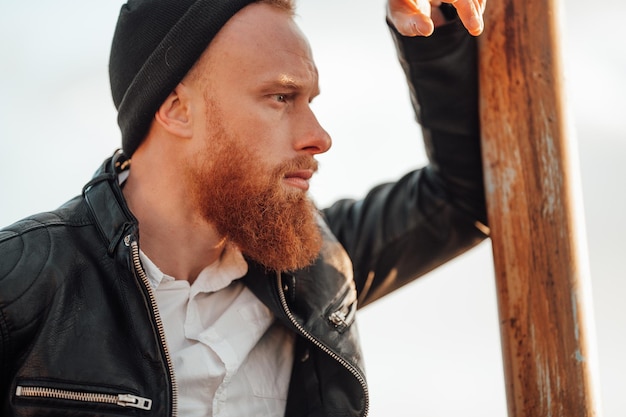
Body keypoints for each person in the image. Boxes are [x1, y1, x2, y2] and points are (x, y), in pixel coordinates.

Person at [0, 0, 488, 415]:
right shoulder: (20, 284)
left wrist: (439, 27)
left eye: (309, 100)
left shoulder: (318, 270)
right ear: (176, 109)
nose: (318, 137)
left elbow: (468, 197)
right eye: (281, 97)